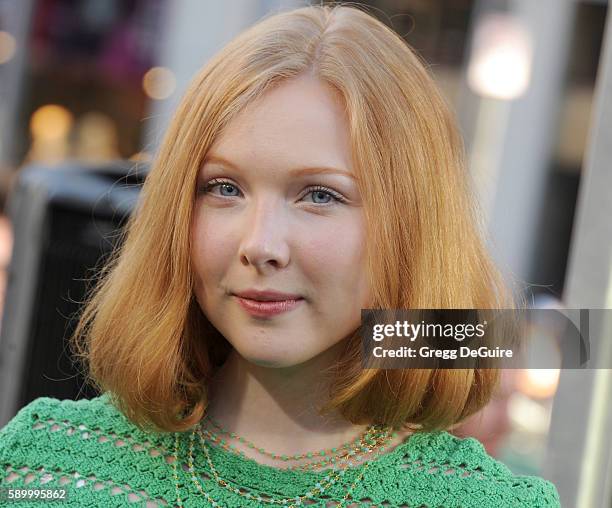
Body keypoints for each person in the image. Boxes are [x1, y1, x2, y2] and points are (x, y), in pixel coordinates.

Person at [0, 4, 560, 507]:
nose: (260, 245)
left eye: (320, 195)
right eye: (224, 188)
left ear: (408, 228)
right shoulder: (43, 468)